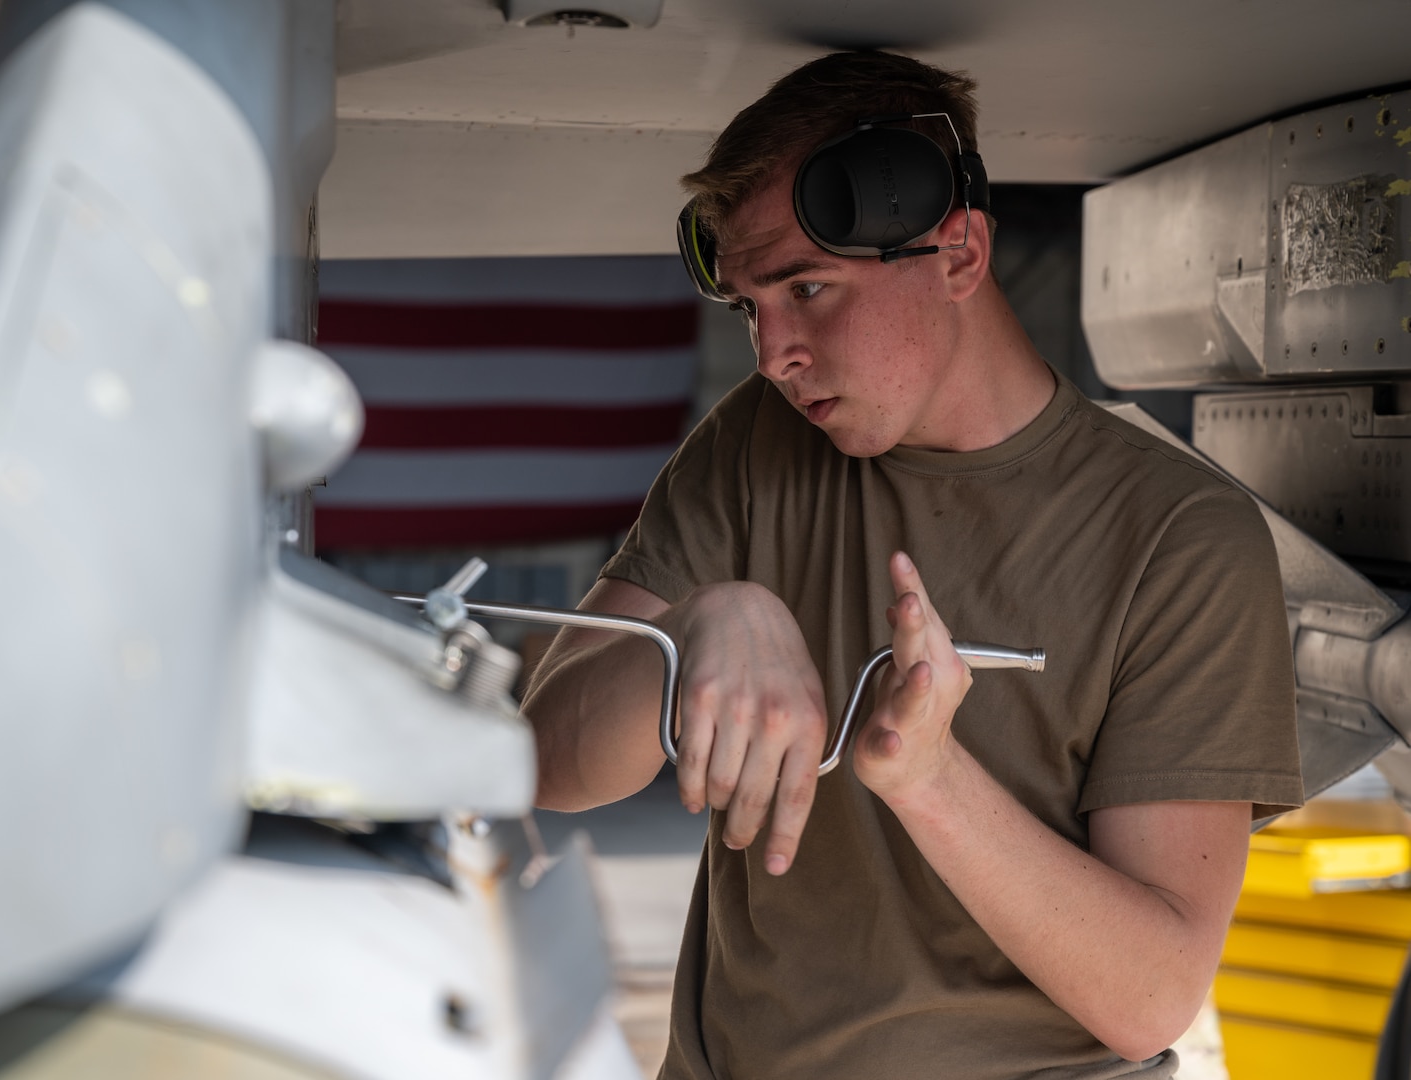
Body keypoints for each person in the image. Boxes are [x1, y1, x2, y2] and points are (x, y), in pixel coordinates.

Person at [522, 50, 1303, 1079]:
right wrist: (690, 630)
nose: (774, 352)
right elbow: (540, 755)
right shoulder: (760, 442)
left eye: (808, 288)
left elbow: (1149, 995)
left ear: (961, 254)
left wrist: (930, 777)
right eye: (752, 305)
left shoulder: (1179, 538)